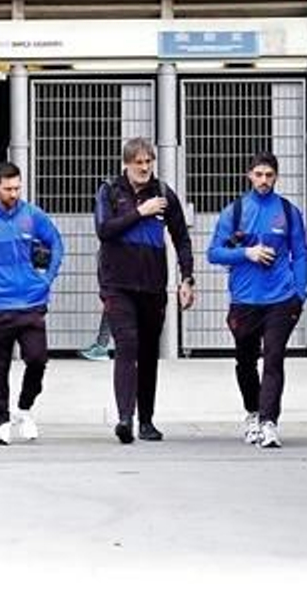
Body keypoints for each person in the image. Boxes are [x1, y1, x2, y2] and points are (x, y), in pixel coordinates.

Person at [94, 137, 196, 445]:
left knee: (149, 353)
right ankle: (125, 418)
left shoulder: (164, 194)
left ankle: (147, 420)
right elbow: (104, 230)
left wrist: (187, 278)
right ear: (126, 163)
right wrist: (141, 212)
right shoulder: (110, 191)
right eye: (138, 162)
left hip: (153, 287)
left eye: (148, 161)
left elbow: (181, 238)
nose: (144, 167)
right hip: (117, 285)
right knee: (126, 346)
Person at [207, 152, 307, 449]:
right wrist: (246, 253)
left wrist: (299, 292)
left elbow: (300, 253)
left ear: (276, 177)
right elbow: (214, 253)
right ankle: (252, 413)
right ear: (249, 176)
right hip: (245, 299)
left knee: (274, 358)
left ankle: (269, 422)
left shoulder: (288, 212)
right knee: (246, 361)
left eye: (269, 175)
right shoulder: (235, 212)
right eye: (259, 174)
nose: (264, 180)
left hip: (281, 298)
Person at [0, 162, 64, 445]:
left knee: (37, 359)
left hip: (31, 300)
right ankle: (1, 420)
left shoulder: (32, 215)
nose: (14, 193)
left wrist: (47, 278)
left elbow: (56, 241)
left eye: (17, 188)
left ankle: (24, 407)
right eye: (8, 189)